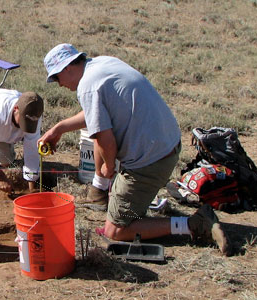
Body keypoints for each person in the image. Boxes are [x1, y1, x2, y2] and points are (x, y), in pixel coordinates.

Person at [39, 43, 230, 255]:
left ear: (67, 68)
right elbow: (98, 116)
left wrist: (109, 168)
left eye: (56, 78)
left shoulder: (88, 86)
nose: (58, 84)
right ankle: (107, 194)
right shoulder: (103, 64)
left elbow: (106, 140)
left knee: (115, 231)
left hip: (149, 162)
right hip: (166, 145)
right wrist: (59, 128)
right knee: (100, 135)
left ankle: (195, 223)